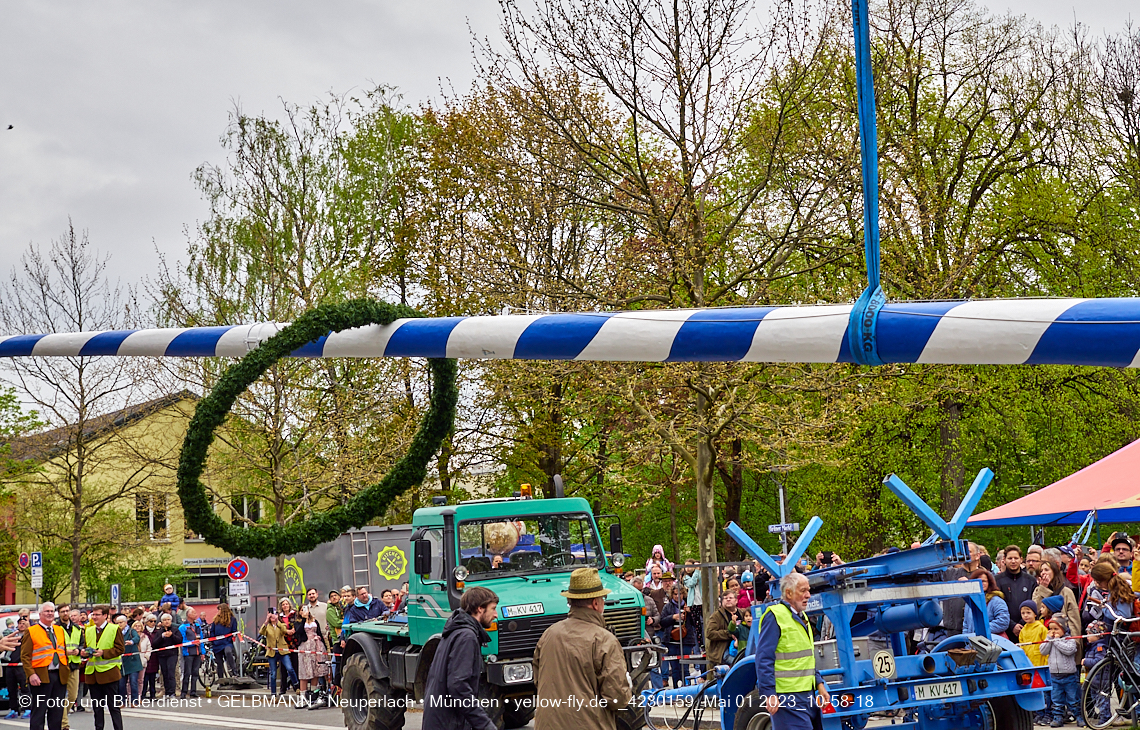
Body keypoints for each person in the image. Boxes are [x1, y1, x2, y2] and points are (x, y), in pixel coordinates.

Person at [534, 568, 632, 730]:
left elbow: (539, 680)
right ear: (595, 603)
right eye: (603, 598)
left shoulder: (549, 634)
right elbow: (616, 698)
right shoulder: (604, 640)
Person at [756, 573, 831, 730]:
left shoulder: (801, 617)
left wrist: (819, 683)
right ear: (788, 593)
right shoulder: (775, 616)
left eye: (808, 590)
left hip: (806, 695)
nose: (808, 595)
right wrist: (769, 694)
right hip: (787, 697)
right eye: (803, 590)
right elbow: (764, 659)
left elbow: (807, 657)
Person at [422, 586, 500, 730]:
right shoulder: (466, 637)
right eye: (493, 608)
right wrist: (485, 724)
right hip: (449, 723)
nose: (496, 614)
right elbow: (458, 686)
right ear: (480, 609)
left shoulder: (456, 632)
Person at [23, 602, 69, 730]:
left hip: (59, 675)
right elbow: (25, 656)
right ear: (40, 614)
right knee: (39, 711)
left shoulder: (59, 630)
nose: (50, 613)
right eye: (47, 611)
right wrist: (31, 674)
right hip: (41, 676)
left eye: (51, 611)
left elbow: (62, 651)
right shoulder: (31, 631)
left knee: (57, 712)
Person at [82, 606, 125, 730]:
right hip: (92, 674)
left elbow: (120, 649)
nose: (94, 617)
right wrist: (84, 652)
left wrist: (104, 653)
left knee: (113, 707)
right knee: (97, 708)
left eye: (97, 615)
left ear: (105, 616)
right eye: (93, 614)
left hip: (109, 673)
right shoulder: (89, 630)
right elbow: (86, 646)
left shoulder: (114, 629)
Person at [1038, 617, 1080, 728]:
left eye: (1056, 629)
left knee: (1073, 699)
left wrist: (1056, 641)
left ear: (1063, 629)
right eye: (1050, 629)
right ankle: (1057, 718)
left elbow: (1069, 650)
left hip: (1069, 676)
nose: (1053, 632)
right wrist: (1048, 639)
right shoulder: (1050, 641)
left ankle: (1079, 717)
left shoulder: (1069, 640)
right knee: (1056, 700)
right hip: (1054, 676)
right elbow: (1043, 650)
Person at [1033, 558, 1081, 645]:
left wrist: (1075, 640)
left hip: (1064, 637)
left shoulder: (1066, 591)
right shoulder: (1038, 590)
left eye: (1046, 570)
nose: (1043, 572)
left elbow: (1074, 618)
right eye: (1041, 571)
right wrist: (1043, 590)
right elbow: (1035, 610)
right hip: (1044, 636)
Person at [997, 545, 1036, 638]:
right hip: (1005, 630)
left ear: (1021, 559)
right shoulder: (997, 581)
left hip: (1028, 627)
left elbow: (1035, 602)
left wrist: (1023, 622)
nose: (1013, 561)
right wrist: (1012, 625)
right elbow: (996, 607)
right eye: (1010, 558)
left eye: (1016, 558)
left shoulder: (1030, 580)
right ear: (1004, 560)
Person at [295, 604, 329, 704]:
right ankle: (303, 696)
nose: (304, 611)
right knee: (304, 671)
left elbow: (319, 633)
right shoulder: (298, 623)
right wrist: (304, 620)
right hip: (305, 647)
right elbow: (299, 632)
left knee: (315, 670)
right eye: (302, 610)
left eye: (306, 609)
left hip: (316, 646)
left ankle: (314, 694)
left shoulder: (315, 621)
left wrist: (324, 648)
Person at [259, 609, 298, 696]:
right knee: (273, 674)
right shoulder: (267, 627)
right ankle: (273, 693)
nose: (273, 616)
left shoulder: (281, 625)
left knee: (290, 668)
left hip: (282, 650)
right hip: (272, 652)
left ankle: (296, 685)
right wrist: (266, 620)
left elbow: (284, 630)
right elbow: (261, 632)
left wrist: (277, 621)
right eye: (271, 615)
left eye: (275, 614)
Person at [962, 569, 1009, 636]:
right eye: (978, 581)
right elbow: (966, 625)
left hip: (992, 643)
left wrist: (981, 629)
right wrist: (966, 641)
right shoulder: (969, 602)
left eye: (984, 581)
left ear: (989, 583)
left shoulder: (996, 601)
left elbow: (1003, 622)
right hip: (972, 643)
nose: (981, 583)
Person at [58, 607, 83, 727]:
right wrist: (64, 652)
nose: (66, 613)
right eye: (63, 611)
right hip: (60, 665)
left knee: (73, 696)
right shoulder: (55, 628)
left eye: (67, 611)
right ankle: (64, 725)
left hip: (74, 665)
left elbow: (82, 644)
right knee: (61, 695)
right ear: (59, 614)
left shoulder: (77, 628)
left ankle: (59, 716)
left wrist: (78, 651)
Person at [704, 589, 739, 667]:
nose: (728, 600)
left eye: (730, 598)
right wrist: (729, 634)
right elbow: (709, 633)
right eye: (725, 598)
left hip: (741, 647)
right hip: (723, 651)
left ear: (736, 600)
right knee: (738, 663)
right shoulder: (716, 616)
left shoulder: (742, 613)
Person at [4, 617, 30, 719]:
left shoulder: (29, 636)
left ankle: (27, 708)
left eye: (23, 623)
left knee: (25, 689)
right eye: (19, 623)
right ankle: (13, 709)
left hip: (22, 666)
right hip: (10, 666)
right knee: (11, 689)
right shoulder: (13, 636)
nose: (21, 625)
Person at [150, 613, 180, 698]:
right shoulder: (159, 632)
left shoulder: (175, 630)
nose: (166, 622)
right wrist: (162, 636)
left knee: (171, 673)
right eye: (165, 620)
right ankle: (167, 692)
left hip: (172, 654)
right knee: (164, 673)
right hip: (162, 655)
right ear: (162, 622)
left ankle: (172, 692)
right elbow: (154, 644)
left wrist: (172, 636)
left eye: (168, 620)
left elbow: (179, 641)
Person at [116, 615, 142, 707]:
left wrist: (132, 641)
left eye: (121, 622)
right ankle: (122, 701)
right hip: (122, 662)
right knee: (121, 684)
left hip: (133, 661)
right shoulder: (116, 632)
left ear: (125, 622)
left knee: (133, 682)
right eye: (117, 623)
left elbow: (137, 638)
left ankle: (134, 701)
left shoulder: (131, 631)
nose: (119, 624)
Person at [178, 607, 204, 698]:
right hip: (188, 653)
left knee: (195, 672)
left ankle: (193, 691)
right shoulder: (182, 627)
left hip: (197, 653)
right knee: (187, 673)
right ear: (188, 615)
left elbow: (201, 639)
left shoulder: (197, 626)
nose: (195, 614)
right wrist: (192, 643)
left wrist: (202, 652)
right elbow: (182, 641)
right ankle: (184, 692)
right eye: (193, 613)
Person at [210, 603, 239, 679]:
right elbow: (212, 631)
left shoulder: (232, 620)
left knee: (228, 652)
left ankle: (234, 670)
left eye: (219, 610)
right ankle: (221, 679)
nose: (218, 612)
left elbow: (234, 631)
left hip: (227, 642)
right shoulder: (216, 620)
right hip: (217, 643)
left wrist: (229, 639)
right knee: (219, 662)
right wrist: (213, 640)